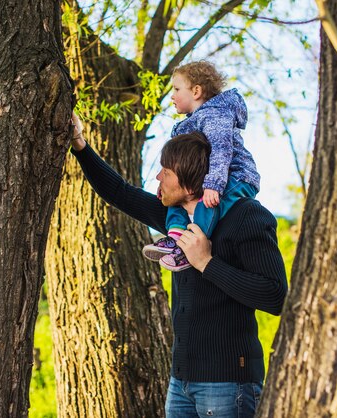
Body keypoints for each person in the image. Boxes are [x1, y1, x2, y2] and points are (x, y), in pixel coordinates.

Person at [69, 112, 288, 418]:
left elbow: (275, 295)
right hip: (180, 383)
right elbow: (118, 191)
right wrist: (79, 144)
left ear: (188, 183)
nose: (158, 178)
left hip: (228, 384)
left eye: (166, 171)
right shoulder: (176, 219)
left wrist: (206, 263)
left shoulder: (247, 215)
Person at [142, 61, 261, 272]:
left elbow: (221, 151)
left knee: (207, 204)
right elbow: (179, 166)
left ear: (196, 91)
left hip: (235, 177)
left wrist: (213, 185)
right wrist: (166, 186)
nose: (172, 95)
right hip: (208, 180)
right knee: (176, 201)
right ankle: (176, 236)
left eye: (177, 89)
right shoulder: (189, 123)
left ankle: (191, 246)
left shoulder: (215, 115)